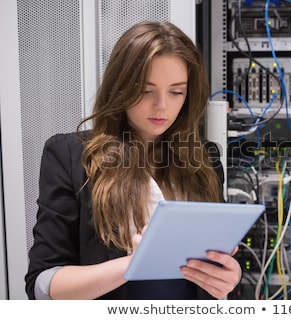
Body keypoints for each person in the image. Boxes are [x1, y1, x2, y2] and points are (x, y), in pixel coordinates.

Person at [25, 20, 242, 300]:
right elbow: (43, 284)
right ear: (121, 87)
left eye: (176, 91)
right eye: (146, 90)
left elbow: (216, 264)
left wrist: (228, 276)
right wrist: (133, 265)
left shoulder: (204, 159)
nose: (162, 105)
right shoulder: (69, 155)